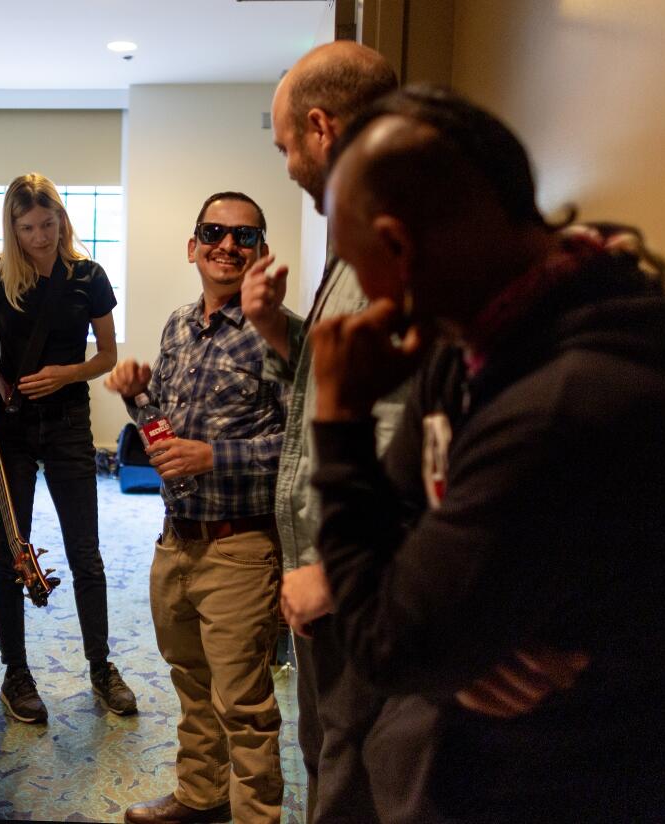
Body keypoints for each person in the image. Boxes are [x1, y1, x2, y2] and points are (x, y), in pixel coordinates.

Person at [311, 86, 665, 820]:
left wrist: (339, 422)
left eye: (352, 257)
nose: (359, 290)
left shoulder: (571, 401)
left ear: (397, 248)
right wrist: (454, 640)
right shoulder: (470, 342)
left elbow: (388, 643)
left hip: (579, 785)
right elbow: (404, 509)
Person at [239, 42, 408, 823]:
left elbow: (426, 437)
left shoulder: (403, 241)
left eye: (284, 148)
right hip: (326, 581)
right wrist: (277, 327)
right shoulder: (351, 240)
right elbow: (337, 380)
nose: (287, 167)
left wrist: (340, 573)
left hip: (365, 589)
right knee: (331, 757)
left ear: (319, 127)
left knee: (357, 782)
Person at [106, 192, 286, 824]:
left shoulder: (278, 336)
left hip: (240, 546)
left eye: (244, 236)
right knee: (191, 684)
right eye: (214, 231)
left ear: (261, 252)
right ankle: (201, 798)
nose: (227, 245)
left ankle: (255, 817)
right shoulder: (178, 326)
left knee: (244, 705)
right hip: (176, 538)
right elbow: (166, 440)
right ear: (193, 246)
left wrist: (214, 457)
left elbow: (300, 448)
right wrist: (137, 400)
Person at [0, 172, 137, 724]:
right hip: (11, 426)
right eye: (27, 226)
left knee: (85, 550)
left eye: (48, 222)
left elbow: (107, 356)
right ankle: (16, 675)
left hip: (67, 422)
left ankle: (100, 667)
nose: (40, 235)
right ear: (12, 228)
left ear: (62, 219)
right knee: (9, 551)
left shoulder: (90, 277)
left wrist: (67, 373)